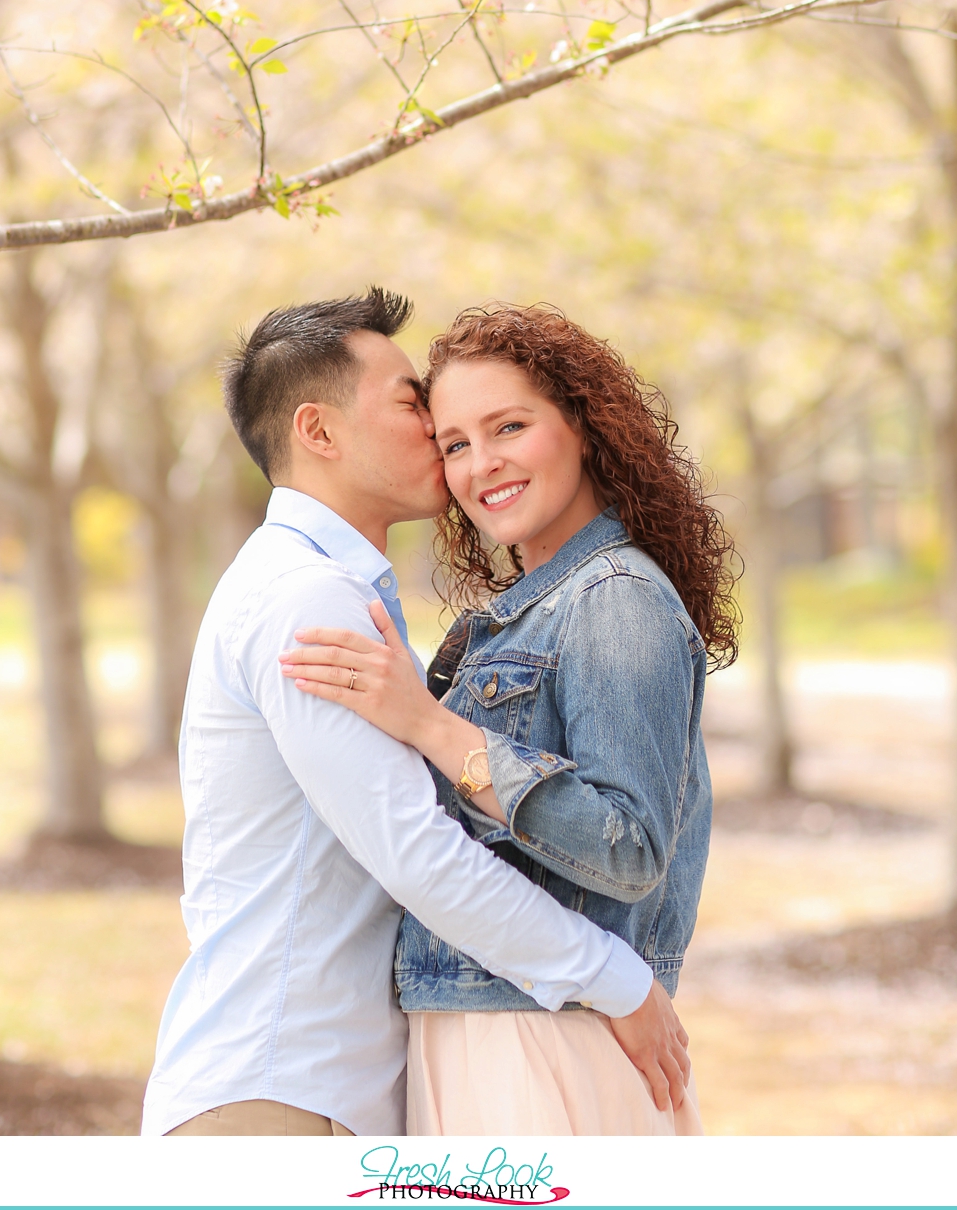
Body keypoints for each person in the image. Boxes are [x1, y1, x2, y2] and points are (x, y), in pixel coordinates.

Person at [141, 289, 691, 1138]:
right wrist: (615, 979)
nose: (449, 446)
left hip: (340, 1078)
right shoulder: (307, 600)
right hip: (284, 1085)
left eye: (503, 427)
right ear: (319, 433)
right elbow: (417, 851)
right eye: (422, 413)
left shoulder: (343, 591)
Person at [282, 302, 739, 1136]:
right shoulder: (533, 609)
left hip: (549, 1038)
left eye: (509, 427)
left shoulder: (615, 598)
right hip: (494, 1022)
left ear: (584, 424)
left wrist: (432, 726)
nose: (481, 464)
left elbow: (630, 846)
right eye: (454, 444)